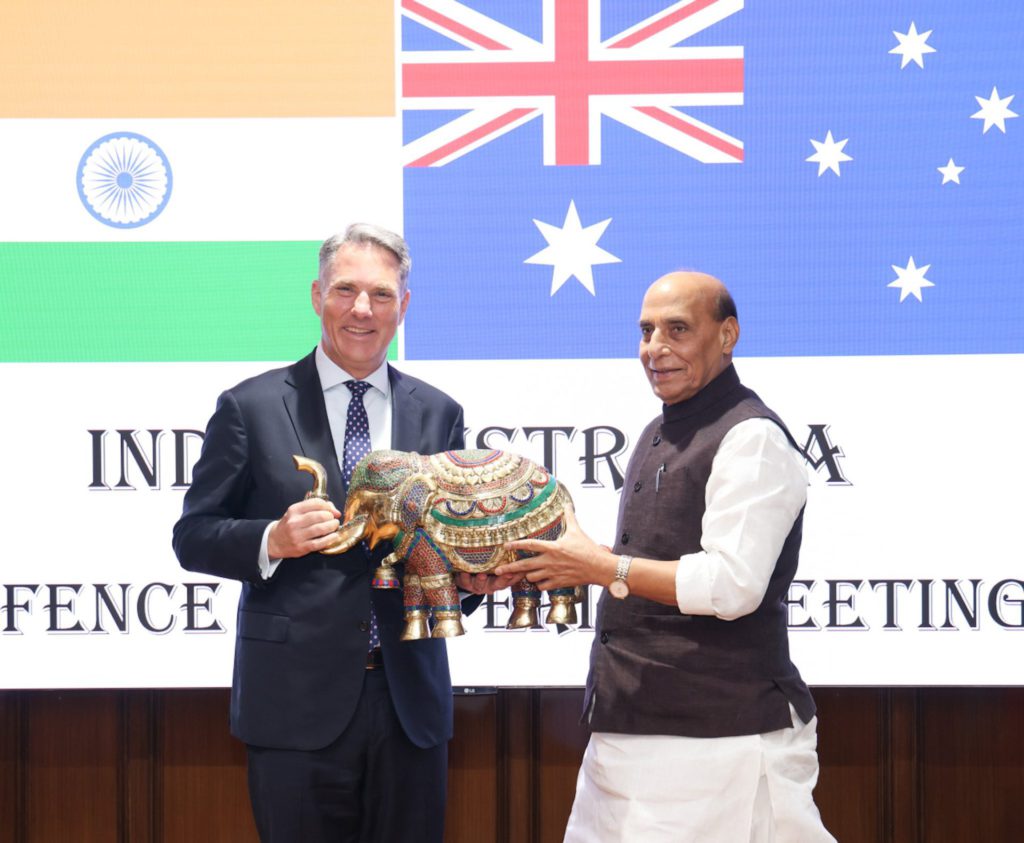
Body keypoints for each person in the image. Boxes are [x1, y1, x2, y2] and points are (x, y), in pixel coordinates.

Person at [173, 223, 506, 843]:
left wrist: (470, 583)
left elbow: (446, 548)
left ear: (404, 306)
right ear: (316, 295)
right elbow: (193, 535)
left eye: (381, 295)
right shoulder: (250, 406)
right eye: (345, 290)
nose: (362, 309)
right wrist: (271, 539)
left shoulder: (440, 412)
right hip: (293, 706)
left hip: (409, 704)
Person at [495, 271, 835, 841]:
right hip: (626, 733)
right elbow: (649, 566)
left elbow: (732, 585)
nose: (655, 347)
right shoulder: (660, 429)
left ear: (727, 335)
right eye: (646, 330)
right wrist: (565, 562)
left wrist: (603, 567)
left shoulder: (751, 438)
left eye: (677, 329)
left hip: (719, 740)